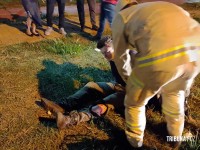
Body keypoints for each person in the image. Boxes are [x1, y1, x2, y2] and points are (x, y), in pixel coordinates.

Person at [112, 0, 200, 148]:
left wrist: (130, 81)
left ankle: (134, 142)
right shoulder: (156, 7)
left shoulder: (122, 17)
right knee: (175, 94)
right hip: (195, 54)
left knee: (135, 102)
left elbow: (120, 57)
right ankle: (175, 138)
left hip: (162, 58)